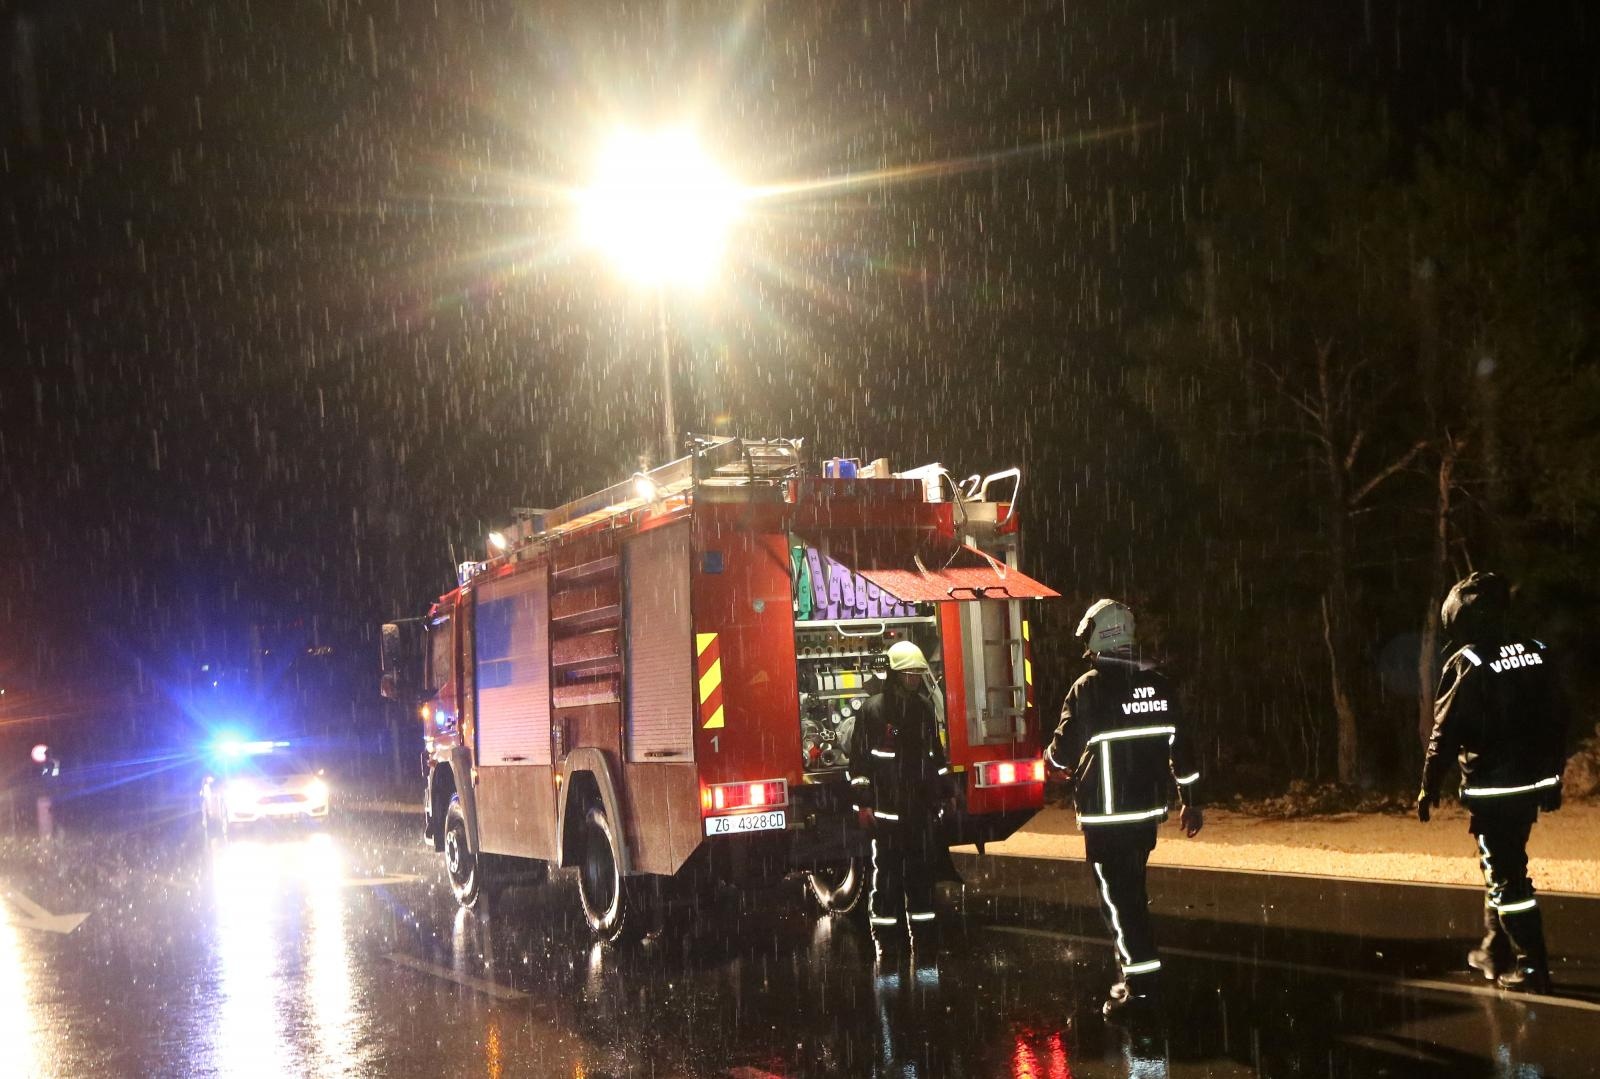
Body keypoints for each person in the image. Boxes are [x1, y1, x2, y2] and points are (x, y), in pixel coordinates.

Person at [1045, 599, 1203, 1020]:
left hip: (1107, 817)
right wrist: (1191, 802)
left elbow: (1062, 755)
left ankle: (1142, 990)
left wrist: (1052, 763)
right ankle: (1137, 973)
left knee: (1119, 901)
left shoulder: (1089, 688)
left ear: (1099, 637)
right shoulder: (1161, 686)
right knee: (1132, 895)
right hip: (1146, 814)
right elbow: (1182, 749)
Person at [1418, 571, 1568, 995]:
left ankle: (1532, 966)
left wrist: (1429, 786)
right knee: (1504, 863)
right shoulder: (1536, 651)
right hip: (1533, 784)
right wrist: (1554, 778)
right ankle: (1493, 949)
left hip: (1492, 789)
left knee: (1507, 877)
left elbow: (1443, 734)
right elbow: (1559, 719)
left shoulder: (1468, 661)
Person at [846, 640, 952, 953]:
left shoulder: (923, 709)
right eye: (908, 674)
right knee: (887, 881)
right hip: (887, 815)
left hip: (918, 813)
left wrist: (946, 793)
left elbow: (935, 757)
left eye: (917, 674)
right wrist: (863, 804)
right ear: (894, 674)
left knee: (921, 879)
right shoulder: (873, 710)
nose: (914, 679)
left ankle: (924, 939)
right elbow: (861, 763)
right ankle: (886, 943)